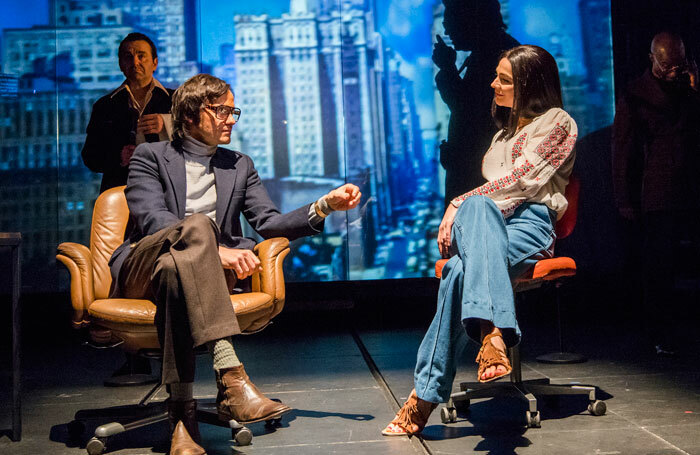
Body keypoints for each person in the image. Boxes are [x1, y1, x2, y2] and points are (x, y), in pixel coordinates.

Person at [109, 74, 361, 454]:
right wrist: (214, 249)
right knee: (195, 228)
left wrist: (324, 205)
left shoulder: (239, 165)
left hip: (177, 275)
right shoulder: (151, 156)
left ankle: (183, 418)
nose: (231, 119)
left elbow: (269, 223)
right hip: (143, 266)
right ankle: (231, 377)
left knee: (176, 273)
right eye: (223, 110)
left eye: (233, 111)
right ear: (192, 114)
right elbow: (153, 221)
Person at [382, 45, 578, 436]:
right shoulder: (502, 134)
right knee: (478, 209)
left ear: (529, 84)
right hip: (487, 225)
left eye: (504, 79)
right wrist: (471, 203)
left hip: (530, 225)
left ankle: (424, 395)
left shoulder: (559, 123)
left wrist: (459, 202)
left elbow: (524, 182)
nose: (493, 84)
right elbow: (491, 197)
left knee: (458, 265)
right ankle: (492, 335)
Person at [612, 32, 700, 356]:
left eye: (678, 65)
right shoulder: (636, 94)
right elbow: (622, 151)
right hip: (657, 192)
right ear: (653, 59)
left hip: (690, 187)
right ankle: (659, 334)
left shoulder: (687, 91)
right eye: (667, 66)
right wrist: (623, 198)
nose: (673, 72)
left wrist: (694, 86)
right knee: (658, 267)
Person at [434, 0, 519, 207]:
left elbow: (470, 113)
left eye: (451, 19)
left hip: (483, 190)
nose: (446, 28)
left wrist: (447, 69)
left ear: (472, 18)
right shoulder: (491, 53)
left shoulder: (500, 57)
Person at [82, 32, 174, 193]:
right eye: (128, 56)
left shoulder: (176, 100)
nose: (135, 62)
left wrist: (167, 123)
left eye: (141, 56)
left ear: (155, 63)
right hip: (120, 193)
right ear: (120, 64)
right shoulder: (105, 105)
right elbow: (90, 157)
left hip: (168, 193)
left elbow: (196, 139)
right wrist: (119, 157)